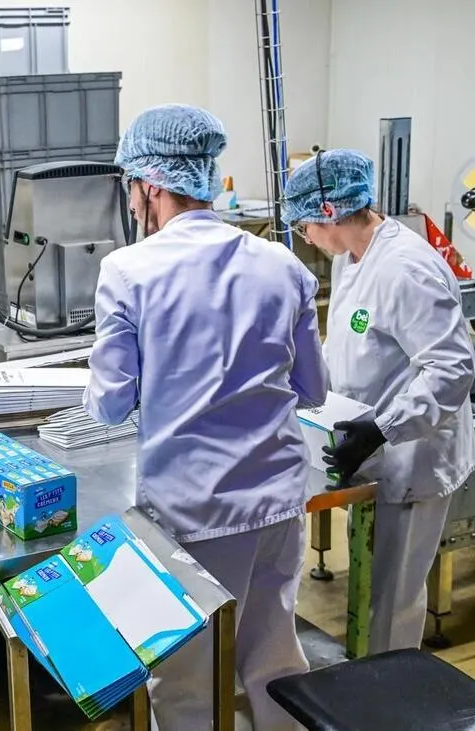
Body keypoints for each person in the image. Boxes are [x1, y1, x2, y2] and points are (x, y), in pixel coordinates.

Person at [83, 103, 328, 730]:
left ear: (151, 185)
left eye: (131, 188)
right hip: (279, 499)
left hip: (193, 512)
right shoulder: (282, 264)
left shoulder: (128, 270)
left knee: (186, 681)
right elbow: (313, 389)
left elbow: (110, 404)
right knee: (274, 659)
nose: (131, 203)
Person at [282, 148, 475, 654]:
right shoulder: (351, 258)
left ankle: (389, 689)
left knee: (392, 600)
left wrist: (382, 428)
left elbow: (452, 369)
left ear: (329, 211)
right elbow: (353, 346)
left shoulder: (406, 268)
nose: (307, 238)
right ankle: (370, 677)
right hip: (375, 448)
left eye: (305, 227)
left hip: (413, 455)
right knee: (374, 585)